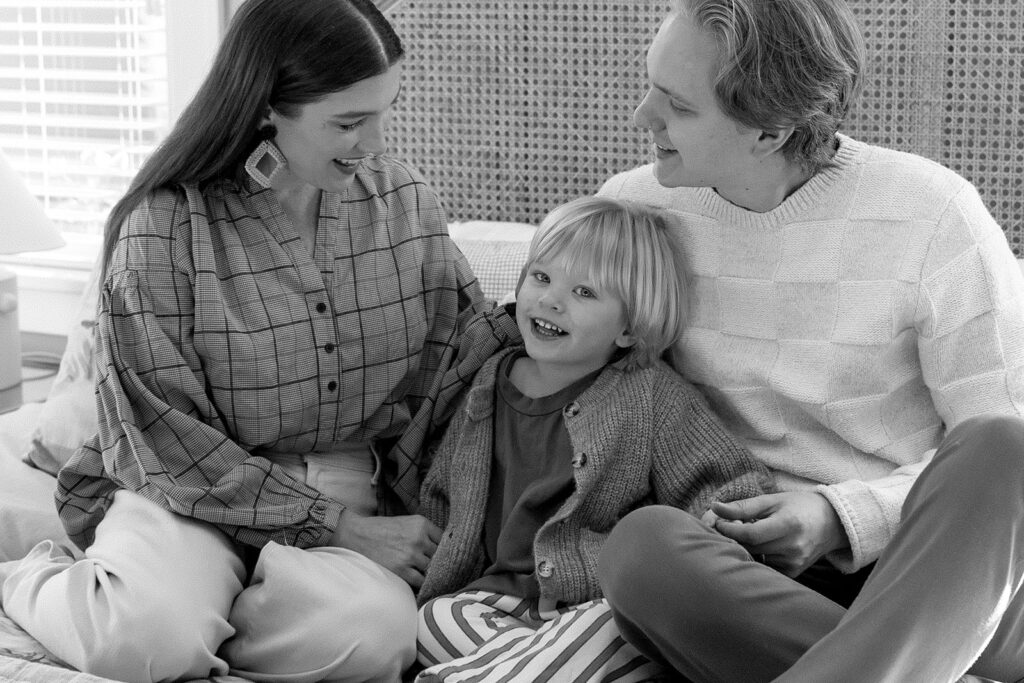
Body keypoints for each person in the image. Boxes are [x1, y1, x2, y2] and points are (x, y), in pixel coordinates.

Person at [0, 0, 518, 681]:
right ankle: (32, 582)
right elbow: (164, 435)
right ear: (267, 107)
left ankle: (207, 612)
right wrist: (333, 526)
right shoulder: (163, 226)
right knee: (143, 640)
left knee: (374, 638)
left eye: (383, 112)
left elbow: (465, 362)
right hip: (187, 497)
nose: (375, 144)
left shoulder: (405, 203)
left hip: (353, 485)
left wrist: (569, 337)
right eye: (349, 122)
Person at [594, 0, 1024, 681]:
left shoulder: (934, 213)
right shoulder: (634, 213)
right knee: (641, 547)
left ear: (770, 131)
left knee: (1005, 444)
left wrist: (838, 514)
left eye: (676, 105)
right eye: (649, 86)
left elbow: (1001, 456)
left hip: (928, 563)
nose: (642, 116)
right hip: (748, 578)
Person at [412, 196, 774, 683]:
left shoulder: (649, 396)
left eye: (583, 292)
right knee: (435, 619)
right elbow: (444, 486)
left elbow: (726, 482)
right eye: (541, 277)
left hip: (594, 599)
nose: (550, 300)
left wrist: (719, 519)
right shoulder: (486, 379)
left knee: (615, 628)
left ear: (629, 328)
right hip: (492, 597)